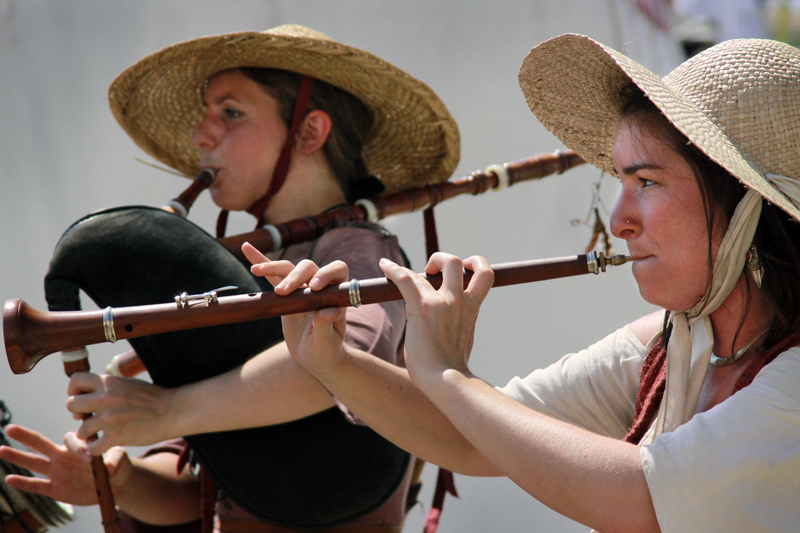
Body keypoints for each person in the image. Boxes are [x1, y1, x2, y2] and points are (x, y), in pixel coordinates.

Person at [115, 34, 797, 533]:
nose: (619, 220)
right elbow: (471, 440)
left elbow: (644, 500)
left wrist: (447, 374)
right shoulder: (670, 342)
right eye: (618, 183)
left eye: (646, 183)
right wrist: (329, 360)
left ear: (745, 205)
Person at [0, 24, 459, 533]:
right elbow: (199, 487)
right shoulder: (237, 279)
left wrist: (168, 409)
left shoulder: (360, 248)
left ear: (309, 133)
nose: (201, 135)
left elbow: (342, 363)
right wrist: (120, 479)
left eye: (231, 112)